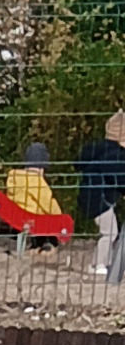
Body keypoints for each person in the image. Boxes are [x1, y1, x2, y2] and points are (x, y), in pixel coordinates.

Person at [79, 107, 125, 280]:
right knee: (110, 232)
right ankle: (99, 264)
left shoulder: (98, 151)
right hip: (100, 200)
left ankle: (97, 263)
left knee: (110, 231)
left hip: (93, 198)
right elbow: (119, 177)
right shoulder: (114, 155)